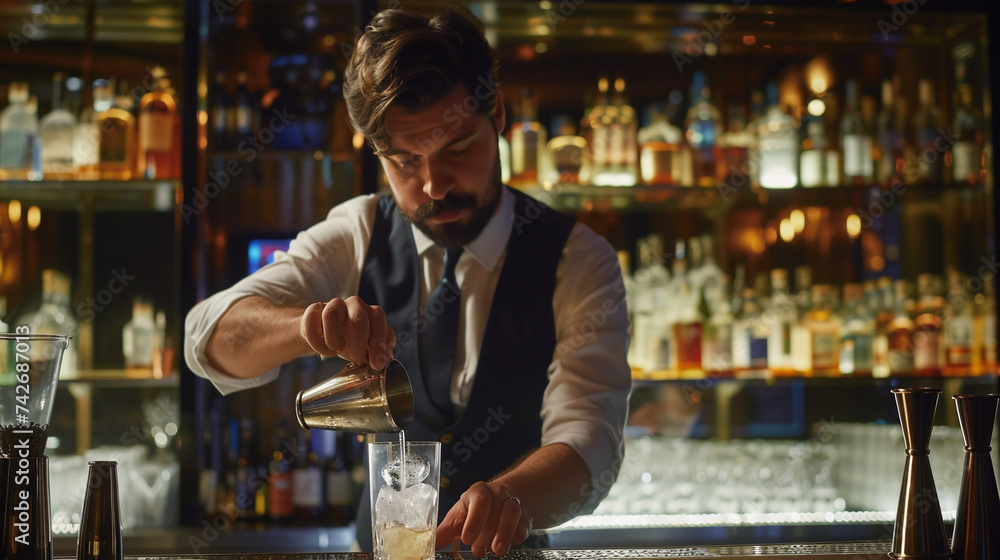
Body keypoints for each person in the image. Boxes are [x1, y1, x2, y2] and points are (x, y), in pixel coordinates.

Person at [184, 4, 630, 557]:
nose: (434, 186)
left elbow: (590, 438)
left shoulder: (577, 259)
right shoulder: (358, 230)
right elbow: (206, 337)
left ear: (499, 115)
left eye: (457, 149)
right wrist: (307, 327)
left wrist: (510, 496)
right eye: (403, 162)